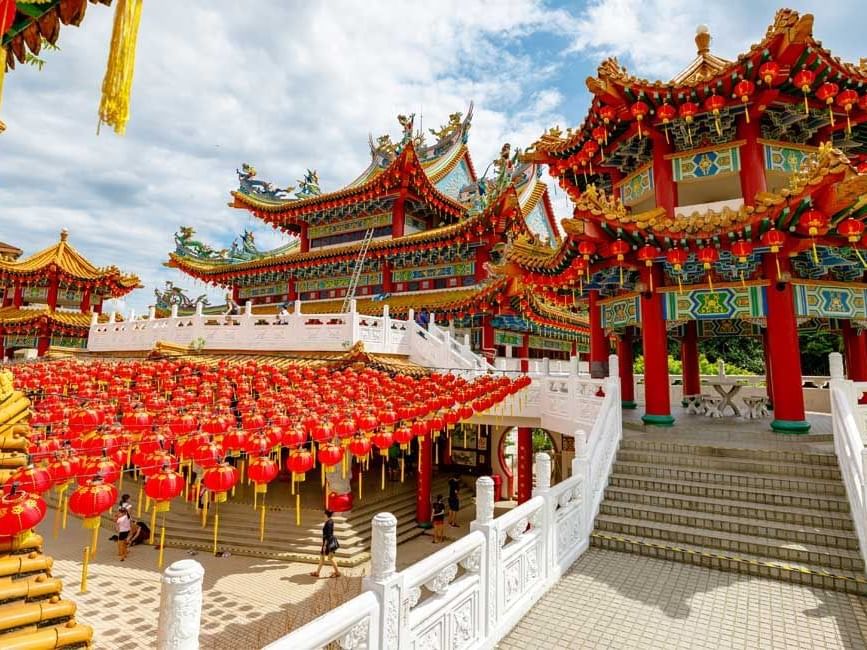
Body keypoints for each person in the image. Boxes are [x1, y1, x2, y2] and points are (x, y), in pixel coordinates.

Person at [310, 509, 341, 578]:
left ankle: (337, 573)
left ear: (326, 514)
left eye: (324, 514)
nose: (323, 515)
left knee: (330, 558)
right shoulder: (330, 521)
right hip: (328, 542)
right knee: (322, 557)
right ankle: (317, 573)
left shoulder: (328, 523)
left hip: (328, 543)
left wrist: (324, 545)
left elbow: (328, 535)